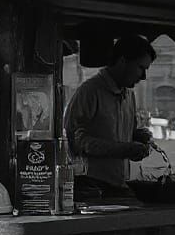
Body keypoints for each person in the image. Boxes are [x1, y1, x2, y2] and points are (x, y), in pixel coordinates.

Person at [64, 34, 155, 199]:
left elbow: (115, 133)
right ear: (122, 61)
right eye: (141, 68)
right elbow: (75, 141)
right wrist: (123, 149)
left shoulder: (129, 95)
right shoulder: (90, 91)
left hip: (121, 185)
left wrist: (136, 136)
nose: (143, 77)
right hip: (92, 186)